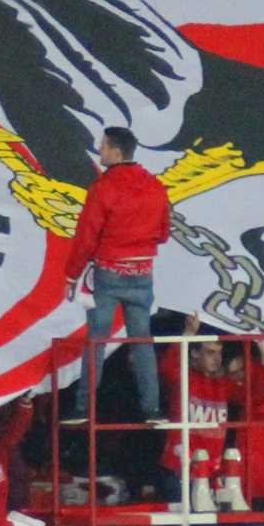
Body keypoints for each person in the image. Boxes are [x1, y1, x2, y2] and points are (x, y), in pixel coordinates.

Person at [64, 127, 169, 419]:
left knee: (97, 341)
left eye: (104, 146)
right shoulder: (155, 186)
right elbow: (163, 233)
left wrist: (72, 274)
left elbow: (86, 236)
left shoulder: (103, 187)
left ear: (117, 152)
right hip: (142, 273)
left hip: (108, 274)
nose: (99, 150)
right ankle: (152, 408)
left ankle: (84, 408)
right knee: (142, 342)